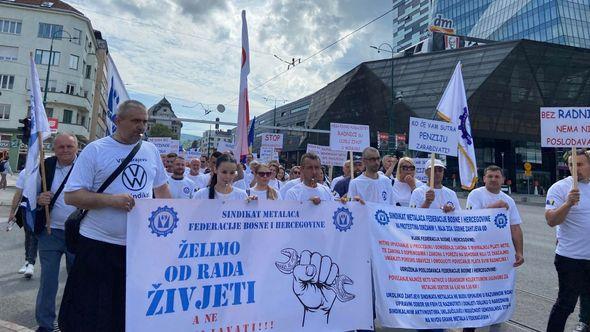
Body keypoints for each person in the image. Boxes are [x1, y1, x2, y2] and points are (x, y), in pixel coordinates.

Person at [58, 100, 171, 332]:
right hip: (97, 245)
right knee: (91, 312)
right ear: (117, 121)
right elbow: (71, 196)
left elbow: (162, 191)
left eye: (145, 122)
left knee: (127, 310)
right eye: (135, 121)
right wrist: (111, 200)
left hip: (137, 248)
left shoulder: (150, 151)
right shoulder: (96, 150)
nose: (141, 127)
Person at [464, 165, 525, 332]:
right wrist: (495, 207)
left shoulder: (509, 200)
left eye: (497, 176)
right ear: (484, 179)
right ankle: (469, 327)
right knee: (475, 294)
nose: (493, 179)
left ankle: (495, 324)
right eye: (490, 176)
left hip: (500, 255)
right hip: (478, 255)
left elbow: (515, 227)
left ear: (503, 180)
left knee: (499, 291)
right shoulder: (475, 195)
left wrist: (519, 251)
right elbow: (471, 219)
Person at [34, 133, 79, 332]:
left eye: (69, 146)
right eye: (61, 146)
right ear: (54, 148)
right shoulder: (46, 165)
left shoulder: (87, 165)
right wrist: (38, 198)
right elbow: (29, 192)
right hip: (49, 232)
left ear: (76, 147)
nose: (65, 150)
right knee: (48, 281)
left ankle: (73, 323)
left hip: (78, 234)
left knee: (77, 282)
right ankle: (45, 324)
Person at [545, 149, 590, 332]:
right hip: (571, 258)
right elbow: (551, 220)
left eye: (580, 164)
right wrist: (568, 203)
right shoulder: (560, 188)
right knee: (566, 303)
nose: (575, 169)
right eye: (571, 165)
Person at [9, 171, 37, 278]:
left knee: (33, 235)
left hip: (40, 207)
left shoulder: (44, 168)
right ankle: (27, 261)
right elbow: (18, 193)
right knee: (29, 234)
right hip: (26, 207)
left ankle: (30, 263)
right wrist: (12, 211)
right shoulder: (25, 172)